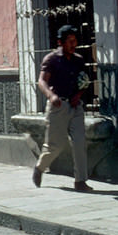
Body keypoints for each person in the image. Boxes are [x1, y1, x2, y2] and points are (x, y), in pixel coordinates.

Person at [32, 24, 93, 192]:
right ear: (60, 42)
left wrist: (78, 95)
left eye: (75, 41)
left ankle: (80, 181)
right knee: (55, 146)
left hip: (76, 107)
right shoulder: (51, 59)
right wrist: (51, 96)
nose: (74, 44)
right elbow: (41, 81)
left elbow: (84, 81)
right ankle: (39, 168)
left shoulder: (79, 60)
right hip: (58, 107)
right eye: (70, 41)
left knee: (79, 142)